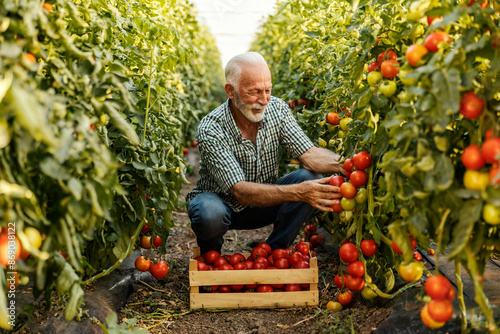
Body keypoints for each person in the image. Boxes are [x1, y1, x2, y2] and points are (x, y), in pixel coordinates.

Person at [185, 51, 345, 254]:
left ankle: (273, 253)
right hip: (222, 205)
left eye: (267, 90)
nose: (264, 100)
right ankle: (210, 256)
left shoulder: (277, 110)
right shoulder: (211, 128)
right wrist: (299, 191)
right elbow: (240, 191)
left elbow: (310, 155)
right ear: (230, 91)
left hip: (265, 202)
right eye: (254, 92)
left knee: (311, 176)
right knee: (209, 213)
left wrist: (347, 164)